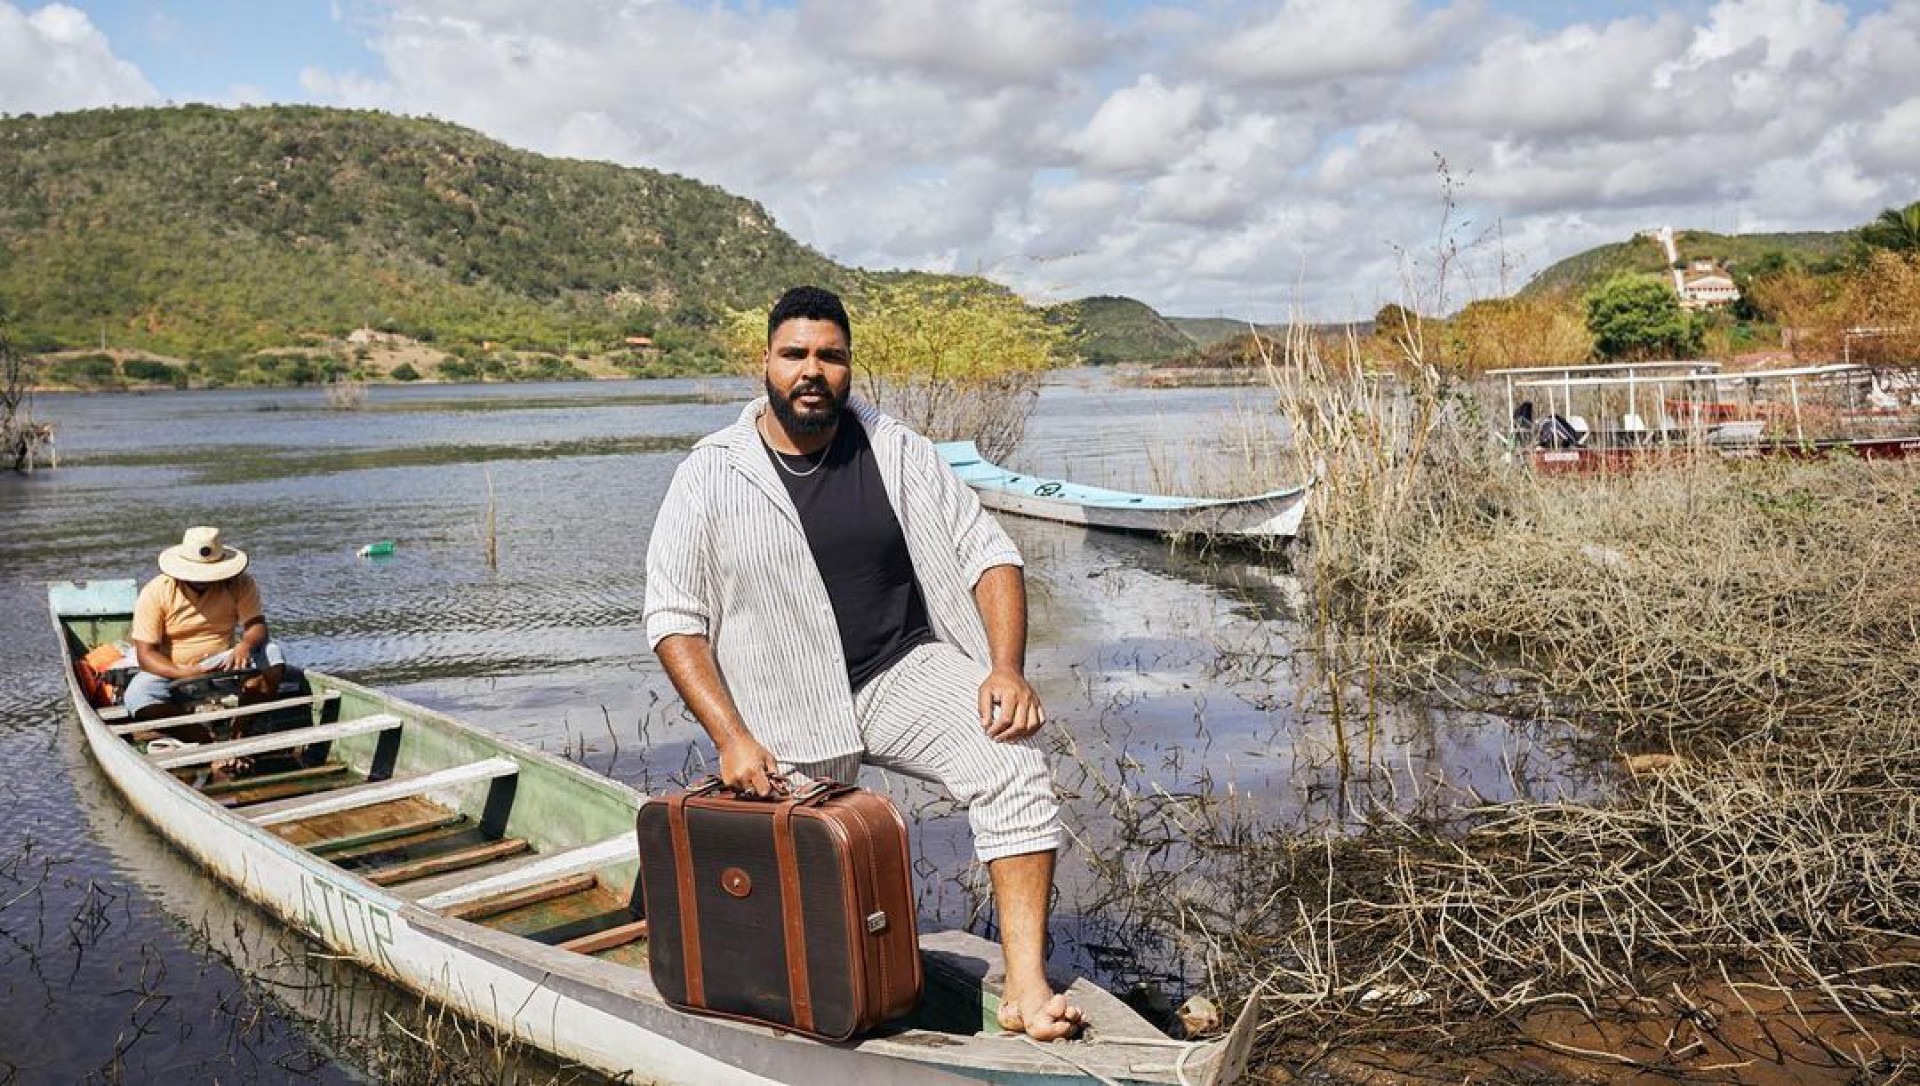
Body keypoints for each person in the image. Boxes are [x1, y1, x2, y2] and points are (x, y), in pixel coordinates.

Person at [644, 285, 1083, 1041]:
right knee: (807, 878)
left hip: (901, 671)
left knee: (1013, 761)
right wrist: (731, 738)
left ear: (850, 367)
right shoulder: (710, 473)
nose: (812, 371)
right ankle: (804, 1011)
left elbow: (992, 558)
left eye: (830, 356)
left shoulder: (898, 450)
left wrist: (1005, 669)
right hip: (784, 705)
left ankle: (1025, 989)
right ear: (767, 364)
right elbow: (674, 621)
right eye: (795, 355)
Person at [123, 525, 289, 721]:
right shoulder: (156, 591)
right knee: (137, 696)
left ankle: (243, 727)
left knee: (272, 653)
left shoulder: (240, 583)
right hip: (173, 668)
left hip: (224, 662)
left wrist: (245, 645)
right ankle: (199, 736)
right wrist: (182, 672)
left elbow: (257, 626)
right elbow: (146, 654)